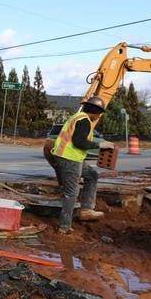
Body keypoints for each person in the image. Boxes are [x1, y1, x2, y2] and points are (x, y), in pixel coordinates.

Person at [49, 95, 115, 233]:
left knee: (92, 175)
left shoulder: (77, 117)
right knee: (71, 193)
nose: (99, 116)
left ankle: (86, 209)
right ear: (96, 111)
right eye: (100, 113)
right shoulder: (84, 121)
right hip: (69, 159)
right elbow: (79, 142)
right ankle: (64, 226)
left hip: (70, 157)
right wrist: (100, 145)